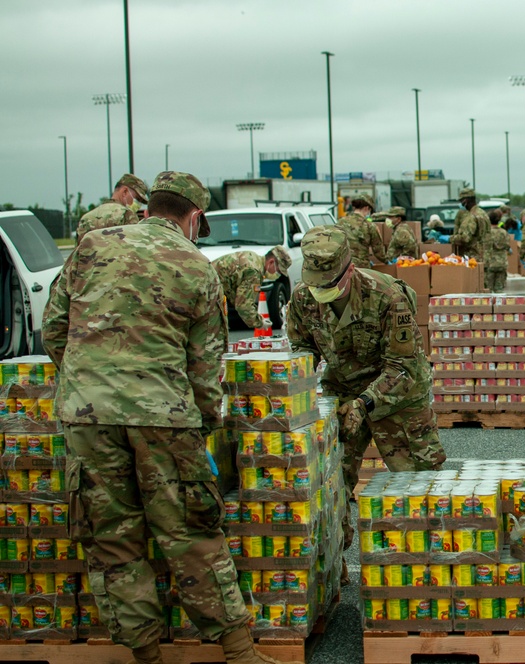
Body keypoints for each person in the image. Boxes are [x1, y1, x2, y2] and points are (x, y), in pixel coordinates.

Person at [42, 171, 294, 664]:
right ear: (194, 216)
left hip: (86, 417)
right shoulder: (197, 267)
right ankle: (238, 651)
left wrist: (90, 382)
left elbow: (53, 330)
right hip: (164, 415)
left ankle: (147, 656)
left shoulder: (91, 247)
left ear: (149, 205)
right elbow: (205, 370)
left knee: (113, 538)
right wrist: (203, 428)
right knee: (189, 532)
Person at [285, 226, 446, 583]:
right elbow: (303, 349)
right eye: (316, 283)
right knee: (330, 483)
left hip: (398, 395)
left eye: (330, 284)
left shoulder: (386, 296)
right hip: (342, 390)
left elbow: (402, 366)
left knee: (418, 483)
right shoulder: (303, 298)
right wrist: (294, 382)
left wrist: (364, 404)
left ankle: (428, 568)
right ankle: (330, 571)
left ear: (350, 269)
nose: (321, 292)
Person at [212, 246, 292, 329]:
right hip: (209, 293)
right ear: (271, 262)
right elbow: (243, 306)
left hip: (206, 286)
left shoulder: (252, 257)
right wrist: (260, 323)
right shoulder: (254, 272)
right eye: (278, 270)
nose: (277, 274)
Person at [75, 173, 148, 244]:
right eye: (137, 198)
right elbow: (134, 248)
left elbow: (78, 252)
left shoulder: (86, 218)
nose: (138, 204)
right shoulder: (126, 215)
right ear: (125, 192)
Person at [336, 193, 386, 268]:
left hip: (343, 267)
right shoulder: (370, 226)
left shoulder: (340, 222)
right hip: (362, 268)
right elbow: (378, 251)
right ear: (366, 208)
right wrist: (387, 260)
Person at [450, 187, 489, 260]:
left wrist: (449, 238)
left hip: (473, 258)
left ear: (466, 200)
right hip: (485, 256)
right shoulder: (483, 213)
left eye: (461, 201)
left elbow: (464, 239)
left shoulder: (471, 217)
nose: (461, 203)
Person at [484, 209, 511, 293]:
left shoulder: (486, 233)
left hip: (489, 263)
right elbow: (507, 246)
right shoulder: (504, 232)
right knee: (499, 290)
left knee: (488, 290)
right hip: (502, 263)